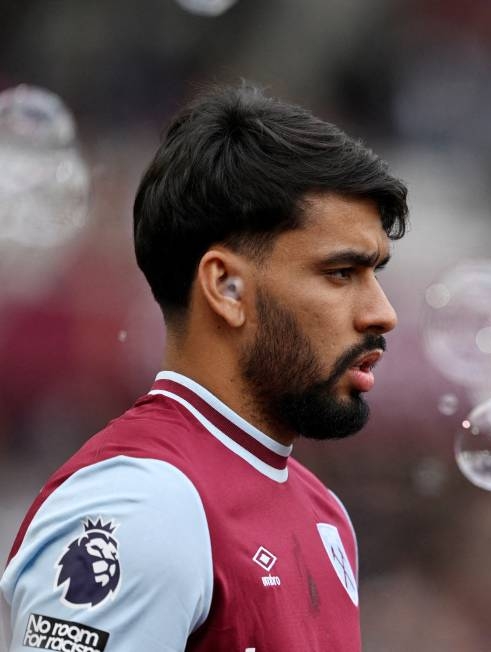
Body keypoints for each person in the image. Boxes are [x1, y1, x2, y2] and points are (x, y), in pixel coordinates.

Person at [0, 83, 408, 651]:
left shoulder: (325, 514)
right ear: (225, 286)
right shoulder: (141, 506)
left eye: (376, 273)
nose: (381, 313)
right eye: (341, 273)